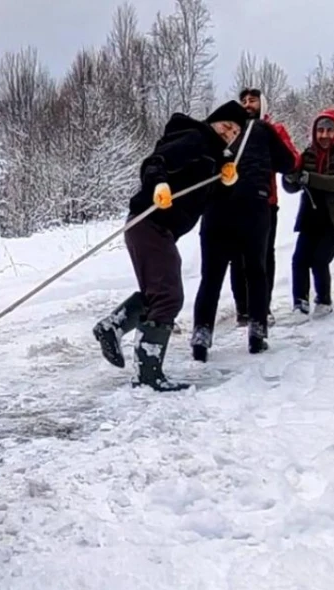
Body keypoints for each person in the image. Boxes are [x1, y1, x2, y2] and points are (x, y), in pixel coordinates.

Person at [92, 101, 248, 392]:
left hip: (157, 229)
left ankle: (113, 327)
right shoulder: (196, 139)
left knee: (159, 293)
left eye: (235, 132)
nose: (229, 133)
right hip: (148, 222)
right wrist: (158, 185)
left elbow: (203, 199)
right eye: (227, 126)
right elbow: (156, 163)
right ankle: (148, 374)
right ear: (214, 121)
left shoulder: (213, 158)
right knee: (169, 296)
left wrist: (226, 183)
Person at [190, 91, 299, 360]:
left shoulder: (210, 134)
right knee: (256, 271)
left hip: (216, 208)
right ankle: (257, 331)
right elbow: (288, 163)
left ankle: (202, 333)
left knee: (211, 276)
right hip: (255, 206)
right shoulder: (263, 129)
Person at [227, 88, 301, 327]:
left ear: (263, 104)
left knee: (263, 256)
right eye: (244, 101)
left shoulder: (273, 130)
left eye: (253, 100)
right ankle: (243, 308)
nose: (248, 105)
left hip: (265, 203)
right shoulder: (232, 131)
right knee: (237, 258)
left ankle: (262, 306)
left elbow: (292, 159)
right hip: (234, 202)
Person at [281, 108, 334, 318]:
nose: (324, 135)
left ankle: (324, 300)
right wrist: (290, 177)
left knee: (320, 259)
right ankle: (300, 302)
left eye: (329, 130)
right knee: (299, 259)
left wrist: (310, 178)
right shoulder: (309, 153)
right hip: (312, 215)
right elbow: (292, 186)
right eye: (320, 131)